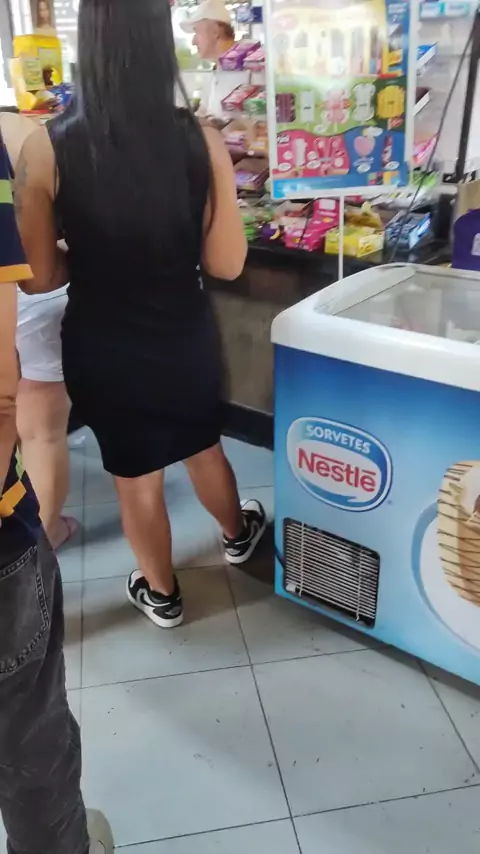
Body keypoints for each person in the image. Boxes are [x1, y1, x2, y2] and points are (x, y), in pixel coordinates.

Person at [15, 0, 267, 630]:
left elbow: (39, 275)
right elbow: (228, 263)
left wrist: (90, 255)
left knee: (135, 477)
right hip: (183, 332)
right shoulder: (202, 139)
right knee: (203, 446)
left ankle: (162, 594)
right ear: (161, 41)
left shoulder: (46, 146)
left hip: (102, 342)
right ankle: (238, 536)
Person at [0, 127, 112, 854]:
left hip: (32, 315)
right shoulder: (37, 139)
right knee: (30, 748)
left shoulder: (37, 139)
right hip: (2, 543)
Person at [0, 109, 75, 550]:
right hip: (29, 287)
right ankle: (46, 535)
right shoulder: (23, 131)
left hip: (20, 291)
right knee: (41, 430)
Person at [181, 0, 235, 116]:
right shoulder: (217, 71)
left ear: (215, 32)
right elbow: (204, 113)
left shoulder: (247, 68)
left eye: (197, 32)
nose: (193, 41)